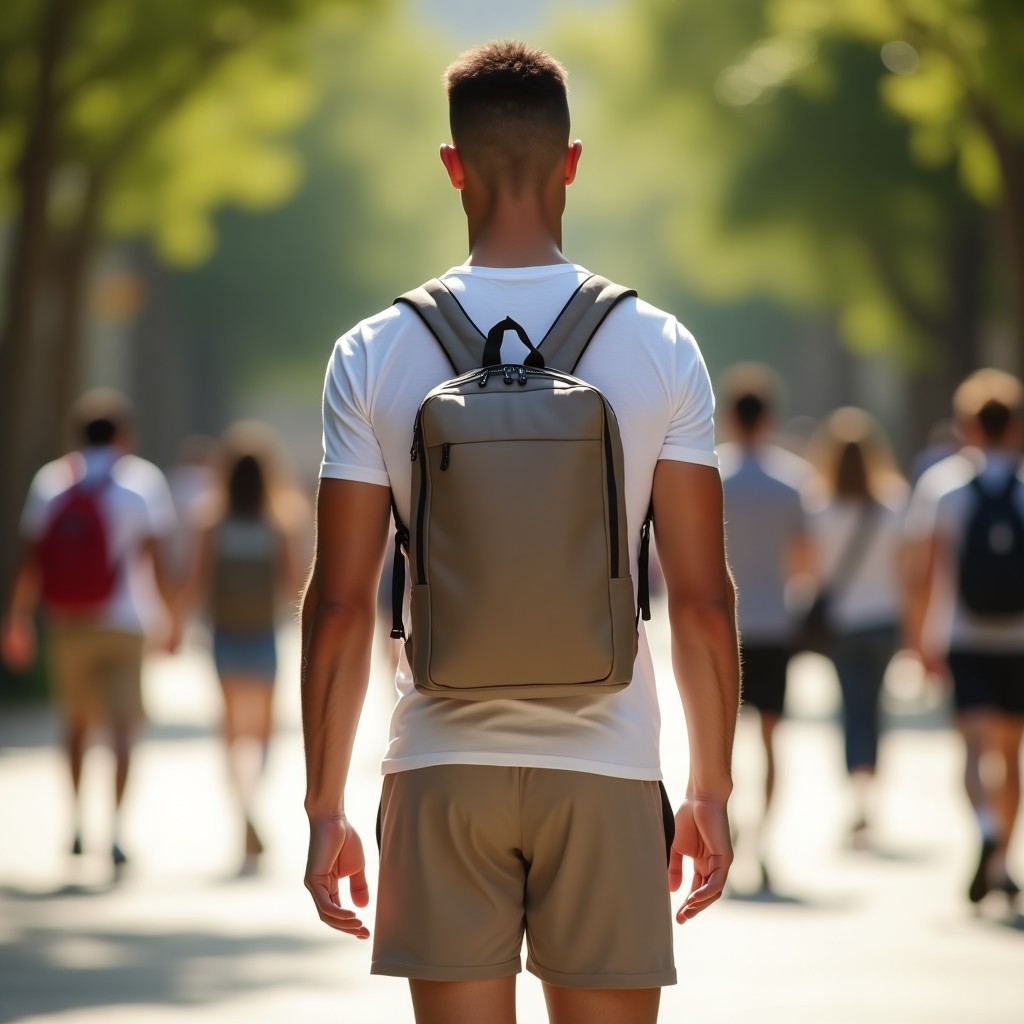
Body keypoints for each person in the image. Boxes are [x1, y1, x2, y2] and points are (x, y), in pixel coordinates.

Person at [301, 42, 739, 1024]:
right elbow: (702, 597)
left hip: (438, 765)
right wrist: (709, 788)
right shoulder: (659, 344)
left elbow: (339, 601)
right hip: (610, 763)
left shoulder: (370, 352)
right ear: (570, 162)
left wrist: (324, 807)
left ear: (450, 165)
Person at [1, 388, 177, 869]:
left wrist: (17, 620)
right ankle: (115, 830)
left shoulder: (52, 481)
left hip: (68, 620)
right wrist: (173, 619)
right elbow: (155, 561)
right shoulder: (143, 482)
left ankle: (77, 821)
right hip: (126, 622)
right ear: (123, 435)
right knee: (123, 728)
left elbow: (33, 560)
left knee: (75, 724)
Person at [905, 368, 1024, 904]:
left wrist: (918, 642)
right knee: (1011, 757)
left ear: (968, 425)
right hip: (1018, 642)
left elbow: (923, 573)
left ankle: (983, 827)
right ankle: (1001, 863)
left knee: (973, 754)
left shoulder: (943, 486)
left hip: (962, 635)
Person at [175, 422, 304, 873]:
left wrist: (173, 625)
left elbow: (195, 582)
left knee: (231, 731)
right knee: (264, 730)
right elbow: (293, 586)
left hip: (225, 636)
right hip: (263, 635)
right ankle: (254, 804)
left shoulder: (212, 523)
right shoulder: (279, 522)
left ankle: (243, 810)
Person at [719, 363, 813, 889]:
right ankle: (764, 841)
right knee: (773, 741)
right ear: (770, 417)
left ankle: (726, 824)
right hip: (775, 623)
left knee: (724, 739)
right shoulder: (792, 480)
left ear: (731, 417)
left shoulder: (713, 473)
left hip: (725, 625)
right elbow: (804, 562)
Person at [803, 407, 908, 844]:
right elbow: (905, 570)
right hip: (884, 621)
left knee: (850, 709)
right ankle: (871, 798)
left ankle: (856, 799)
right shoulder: (894, 507)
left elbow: (808, 569)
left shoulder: (817, 509)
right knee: (876, 709)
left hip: (842, 625)